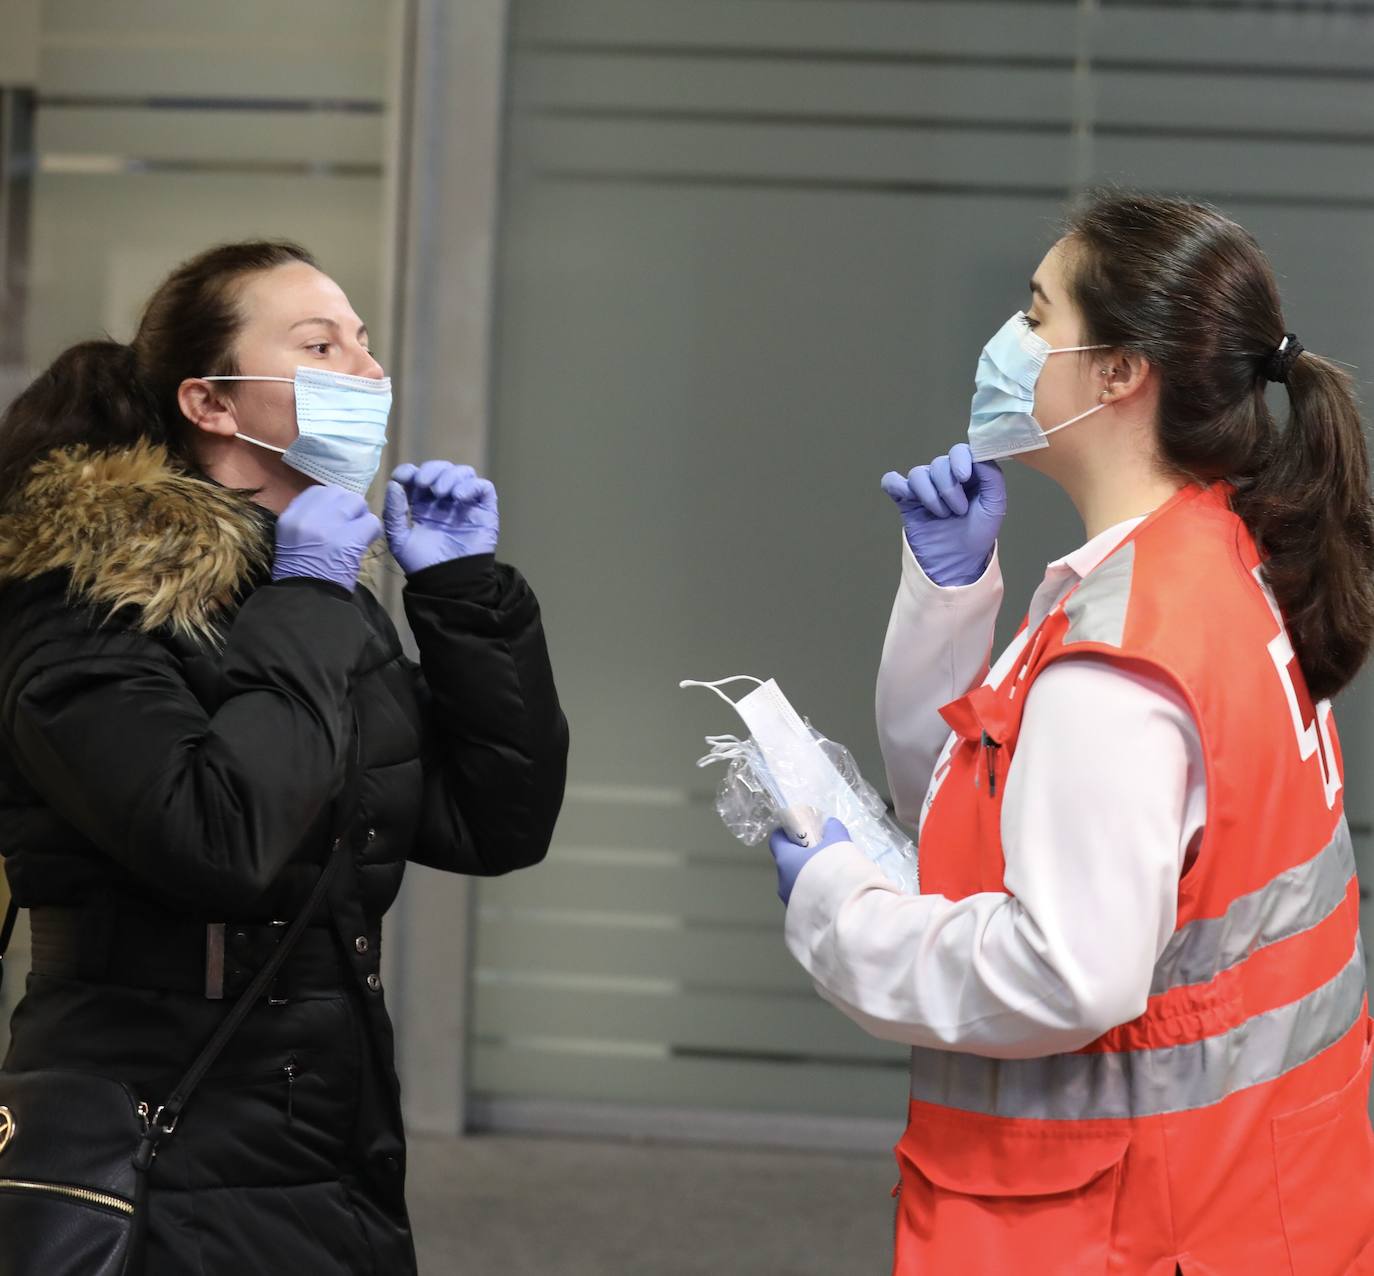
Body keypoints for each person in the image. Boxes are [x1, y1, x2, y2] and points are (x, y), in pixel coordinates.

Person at [769, 193, 1374, 1274]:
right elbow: (985, 803)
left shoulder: (1122, 656)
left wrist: (835, 911)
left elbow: (1067, 974)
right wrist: (953, 596)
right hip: (1259, 1199)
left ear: (1118, 372)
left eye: (1037, 315)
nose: (1010, 343)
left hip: (1120, 1225)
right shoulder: (1219, 563)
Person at [0, 241, 569, 1273]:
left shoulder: (312, 597)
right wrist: (309, 596)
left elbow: (494, 823)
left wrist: (462, 600)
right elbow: (217, 836)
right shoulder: (90, 600)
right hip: (155, 1115)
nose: (368, 370)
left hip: (324, 1110)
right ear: (212, 403)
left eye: (365, 342)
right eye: (320, 344)